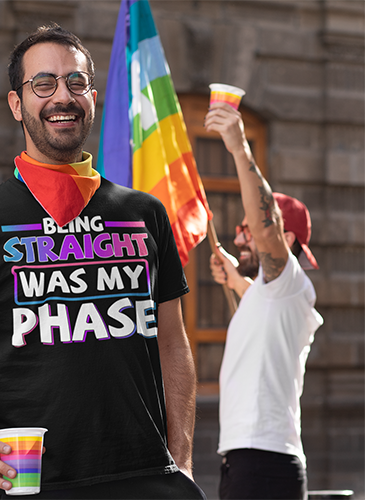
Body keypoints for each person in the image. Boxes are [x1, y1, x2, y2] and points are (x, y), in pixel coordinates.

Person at [0, 24, 206, 500]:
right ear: (17, 103)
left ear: (92, 98)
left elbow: (173, 346)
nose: (63, 96)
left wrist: (181, 461)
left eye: (76, 82)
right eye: (43, 83)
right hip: (33, 482)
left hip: (148, 478)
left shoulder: (145, 214)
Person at [205, 101, 323, 500]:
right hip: (250, 462)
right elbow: (256, 298)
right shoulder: (271, 294)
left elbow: (265, 227)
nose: (240, 237)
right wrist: (234, 278)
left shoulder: (288, 281)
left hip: (263, 464)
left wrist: (240, 148)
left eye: (247, 229)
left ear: (284, 239)